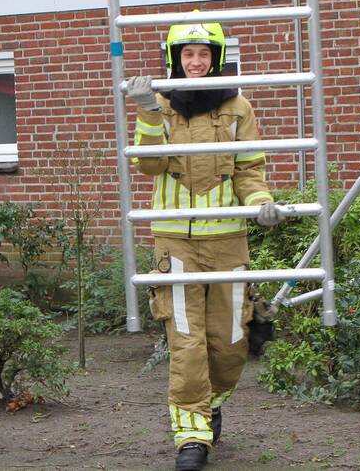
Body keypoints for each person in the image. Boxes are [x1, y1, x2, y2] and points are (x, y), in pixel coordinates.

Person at [125, 23, 286, 471]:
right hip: (175, 241)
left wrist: (262, 203)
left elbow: (250, 169)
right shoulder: (157, 102)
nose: (194, 62)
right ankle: (191, 436)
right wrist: (146, 112)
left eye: (202, 54)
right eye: (186, 54)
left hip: (229, 242)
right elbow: (149, 166)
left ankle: (209, 402)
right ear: (174, 58)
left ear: (215, 57)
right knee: (186, 342)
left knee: (231, 343)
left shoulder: (238, 106)